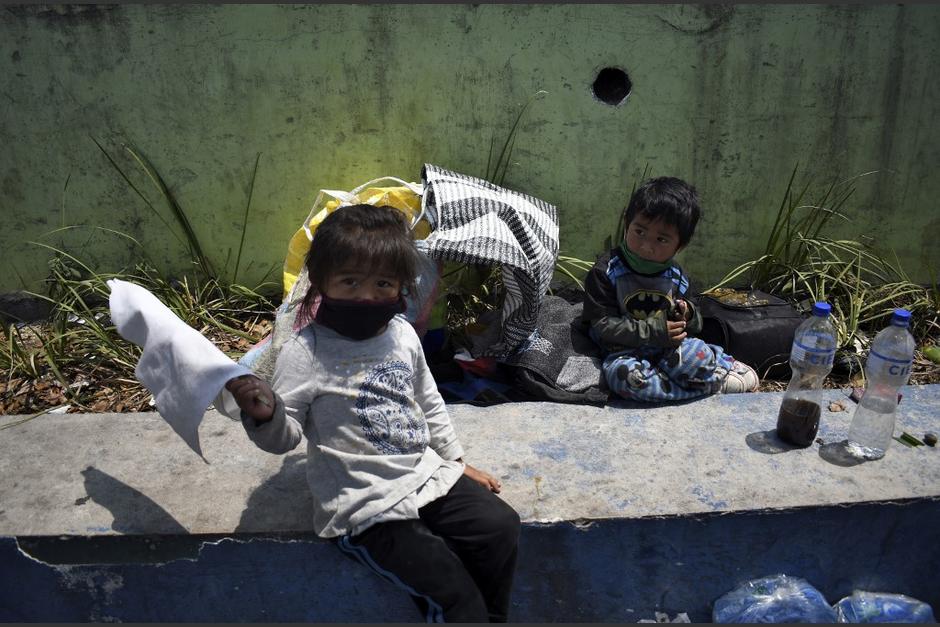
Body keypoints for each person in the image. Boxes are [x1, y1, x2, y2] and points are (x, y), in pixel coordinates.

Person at [225, 204, 520, 623]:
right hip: (363, 503)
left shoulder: (401, 334)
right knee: (454, 594)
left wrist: (455, 463)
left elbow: (428, 397)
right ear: (321, 281)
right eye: (350, 282)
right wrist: (264, 412)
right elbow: (283, 438)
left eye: (383, 283)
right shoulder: (305, 352)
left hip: (420, 473)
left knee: (499, 526)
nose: (367, 296)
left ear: (402, 284)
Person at [581, 176, 759, 402]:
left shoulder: (677, 277)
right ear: (627, 224)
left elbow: (694, 326)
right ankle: (712, 385)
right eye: (640, 232)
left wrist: (688, 314)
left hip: (669, 350)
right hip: (623, 351)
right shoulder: (606, 271)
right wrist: (653, 332)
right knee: (623, 377)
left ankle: (719, 364)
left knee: (696, 355)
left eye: (661, 239)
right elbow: (602, 326)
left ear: (680, 245)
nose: (646, 246)